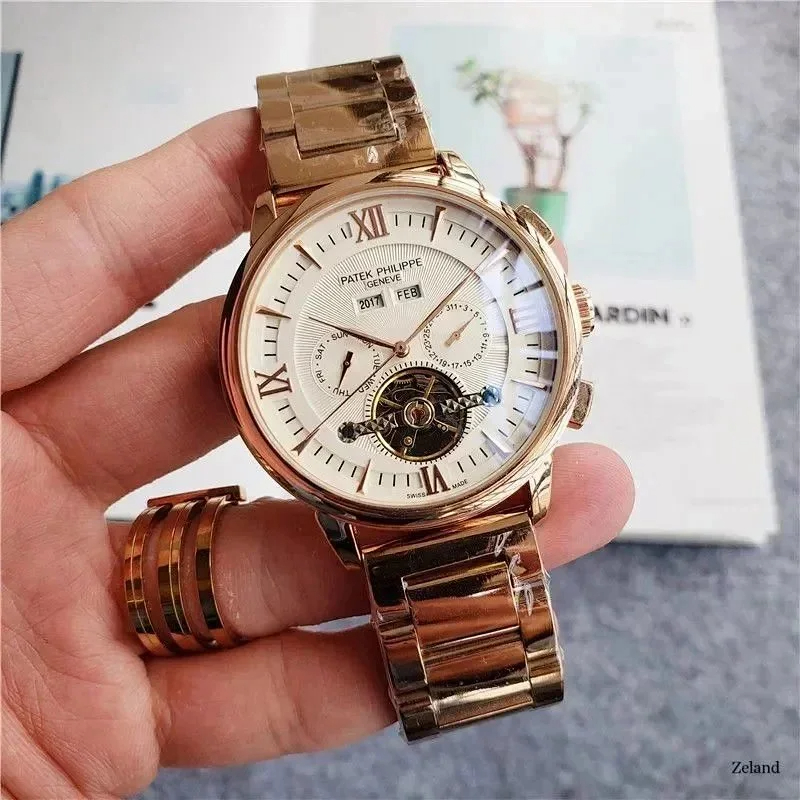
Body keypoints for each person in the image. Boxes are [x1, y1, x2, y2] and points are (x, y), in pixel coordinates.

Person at [1, 109, 635, 799]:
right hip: (379, 487)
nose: (400, 348)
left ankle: (495, 672)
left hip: (494, 471)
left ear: (571, 312)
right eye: (382, 347)